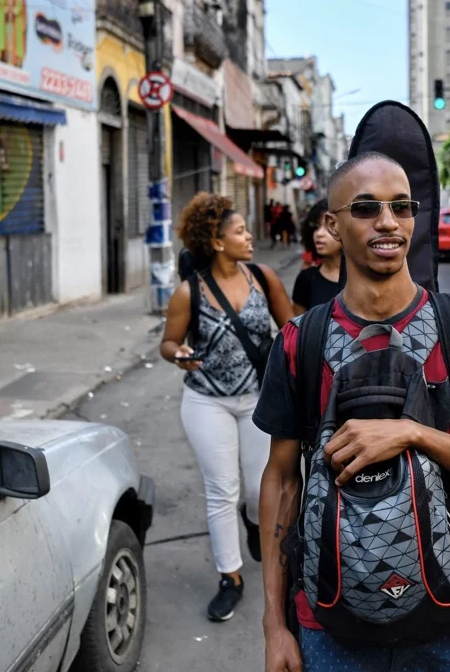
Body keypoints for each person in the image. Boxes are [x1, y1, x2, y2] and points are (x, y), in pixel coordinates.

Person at [256, 152, 450, 672]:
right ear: (333, 225)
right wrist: (275, 626)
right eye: (365, 209)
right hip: (329, 630)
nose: (388, 221)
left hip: (448, 627)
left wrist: (414, 435)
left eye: (401, 207)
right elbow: (281, 482)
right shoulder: (301, 342)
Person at [159, 193, 293, 622]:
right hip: (206, 401)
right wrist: (177, 352)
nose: (249, 236)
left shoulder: (263, 277)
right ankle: (229, 577)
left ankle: (254, 522)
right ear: (217, 242)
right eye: (239, 231)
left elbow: (290, 330)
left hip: (257, 399)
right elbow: (166, 343)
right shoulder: (187, 294)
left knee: (258, 490)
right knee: (221, 490)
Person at [291, 199, 343, 314]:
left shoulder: (365, 277)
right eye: (316, 227)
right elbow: (299, 328)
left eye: (328, 227)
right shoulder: (306, 279)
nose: (319, 234)